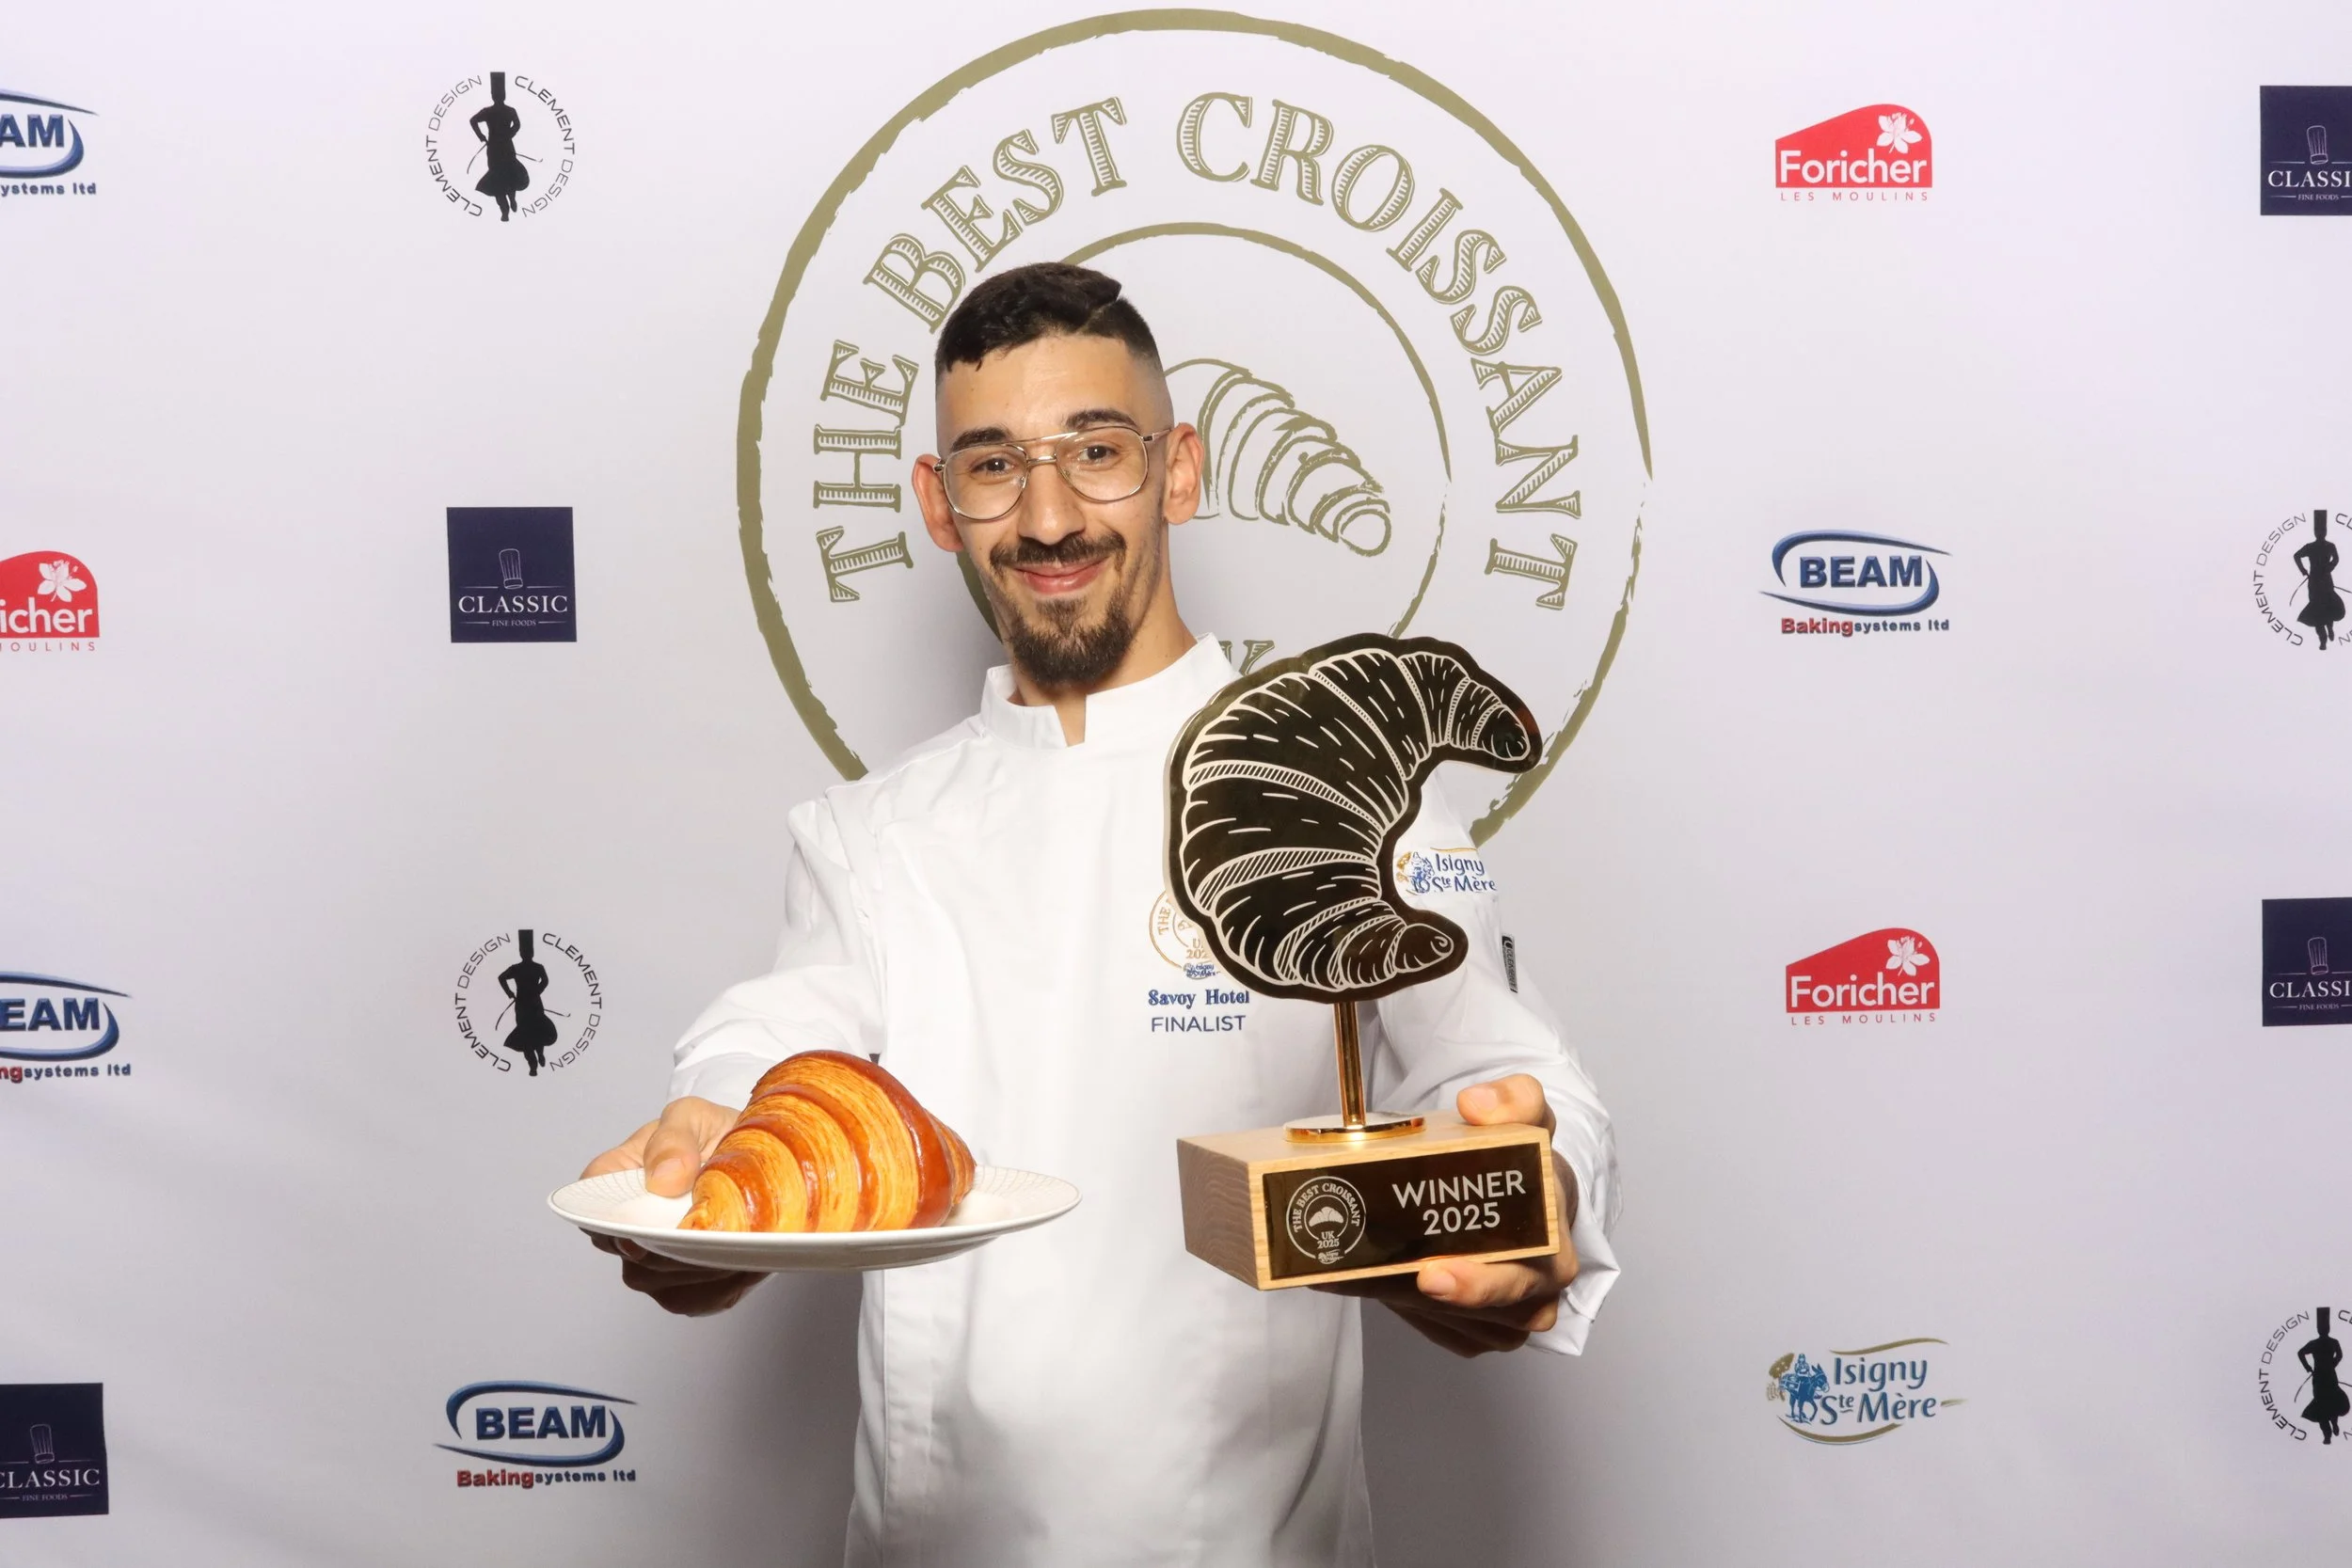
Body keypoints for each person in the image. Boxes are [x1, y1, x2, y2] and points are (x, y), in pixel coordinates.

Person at [580, 262, 1620, 1565]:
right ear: (939, 504)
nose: (1052, 512)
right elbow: (777, 1042)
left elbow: (1514, 1071)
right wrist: (710, 1151)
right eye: (995, 464)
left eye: (1098, 450)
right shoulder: (869, 832)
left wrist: (1536, 1194)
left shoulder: (1341, 781)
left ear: (1180, 470)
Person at [469, 71, 529, 222]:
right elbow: (517, 125)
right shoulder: (509, 110)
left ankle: (507, 207)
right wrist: (509, 134)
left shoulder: (490, 111)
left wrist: (482, 137)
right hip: (504, 146)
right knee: (506, 175)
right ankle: (506, 209)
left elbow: (473, 120)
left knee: (500, 178)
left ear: (493, 95)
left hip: (496, 147)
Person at [498, 928, 556, 1077]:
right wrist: (536, 991)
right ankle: (534, 1062)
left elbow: (501, 978)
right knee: (534, 1031)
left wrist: (511, 994)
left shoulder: (518, 968)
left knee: (529, 1033)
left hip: (525, 1004)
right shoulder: (536, 967)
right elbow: (545, 981)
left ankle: (535, 1061)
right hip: (532, 1003)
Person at [2295, 509, 2344, 651]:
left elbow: (2336, 559)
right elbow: (2296, 556)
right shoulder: (2310, 547)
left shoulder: (2330, 546)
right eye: (2318, 530)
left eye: (2322, 530)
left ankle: (2330, 627)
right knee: (2317, 611)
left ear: (2325, 531)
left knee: (2328, 607)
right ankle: (2322, 640)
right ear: (2315, 532)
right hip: (2315, 582)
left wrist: (2329, 567)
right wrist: (2303, 570)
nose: (2320, 532)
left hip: (2327, 581)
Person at [2300, 1308, 2347, 1444]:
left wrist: (2308, 1368)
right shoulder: (2333, 1342)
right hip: (2328, 1376)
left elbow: (2300, 1353)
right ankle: (2328, 1433)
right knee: (2329, 1402)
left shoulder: (2316, 1343)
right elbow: (2339, 1355)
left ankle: (2330, 1431)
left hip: (2321, 1377)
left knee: (2324, 1404)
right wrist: (2333, 1364)